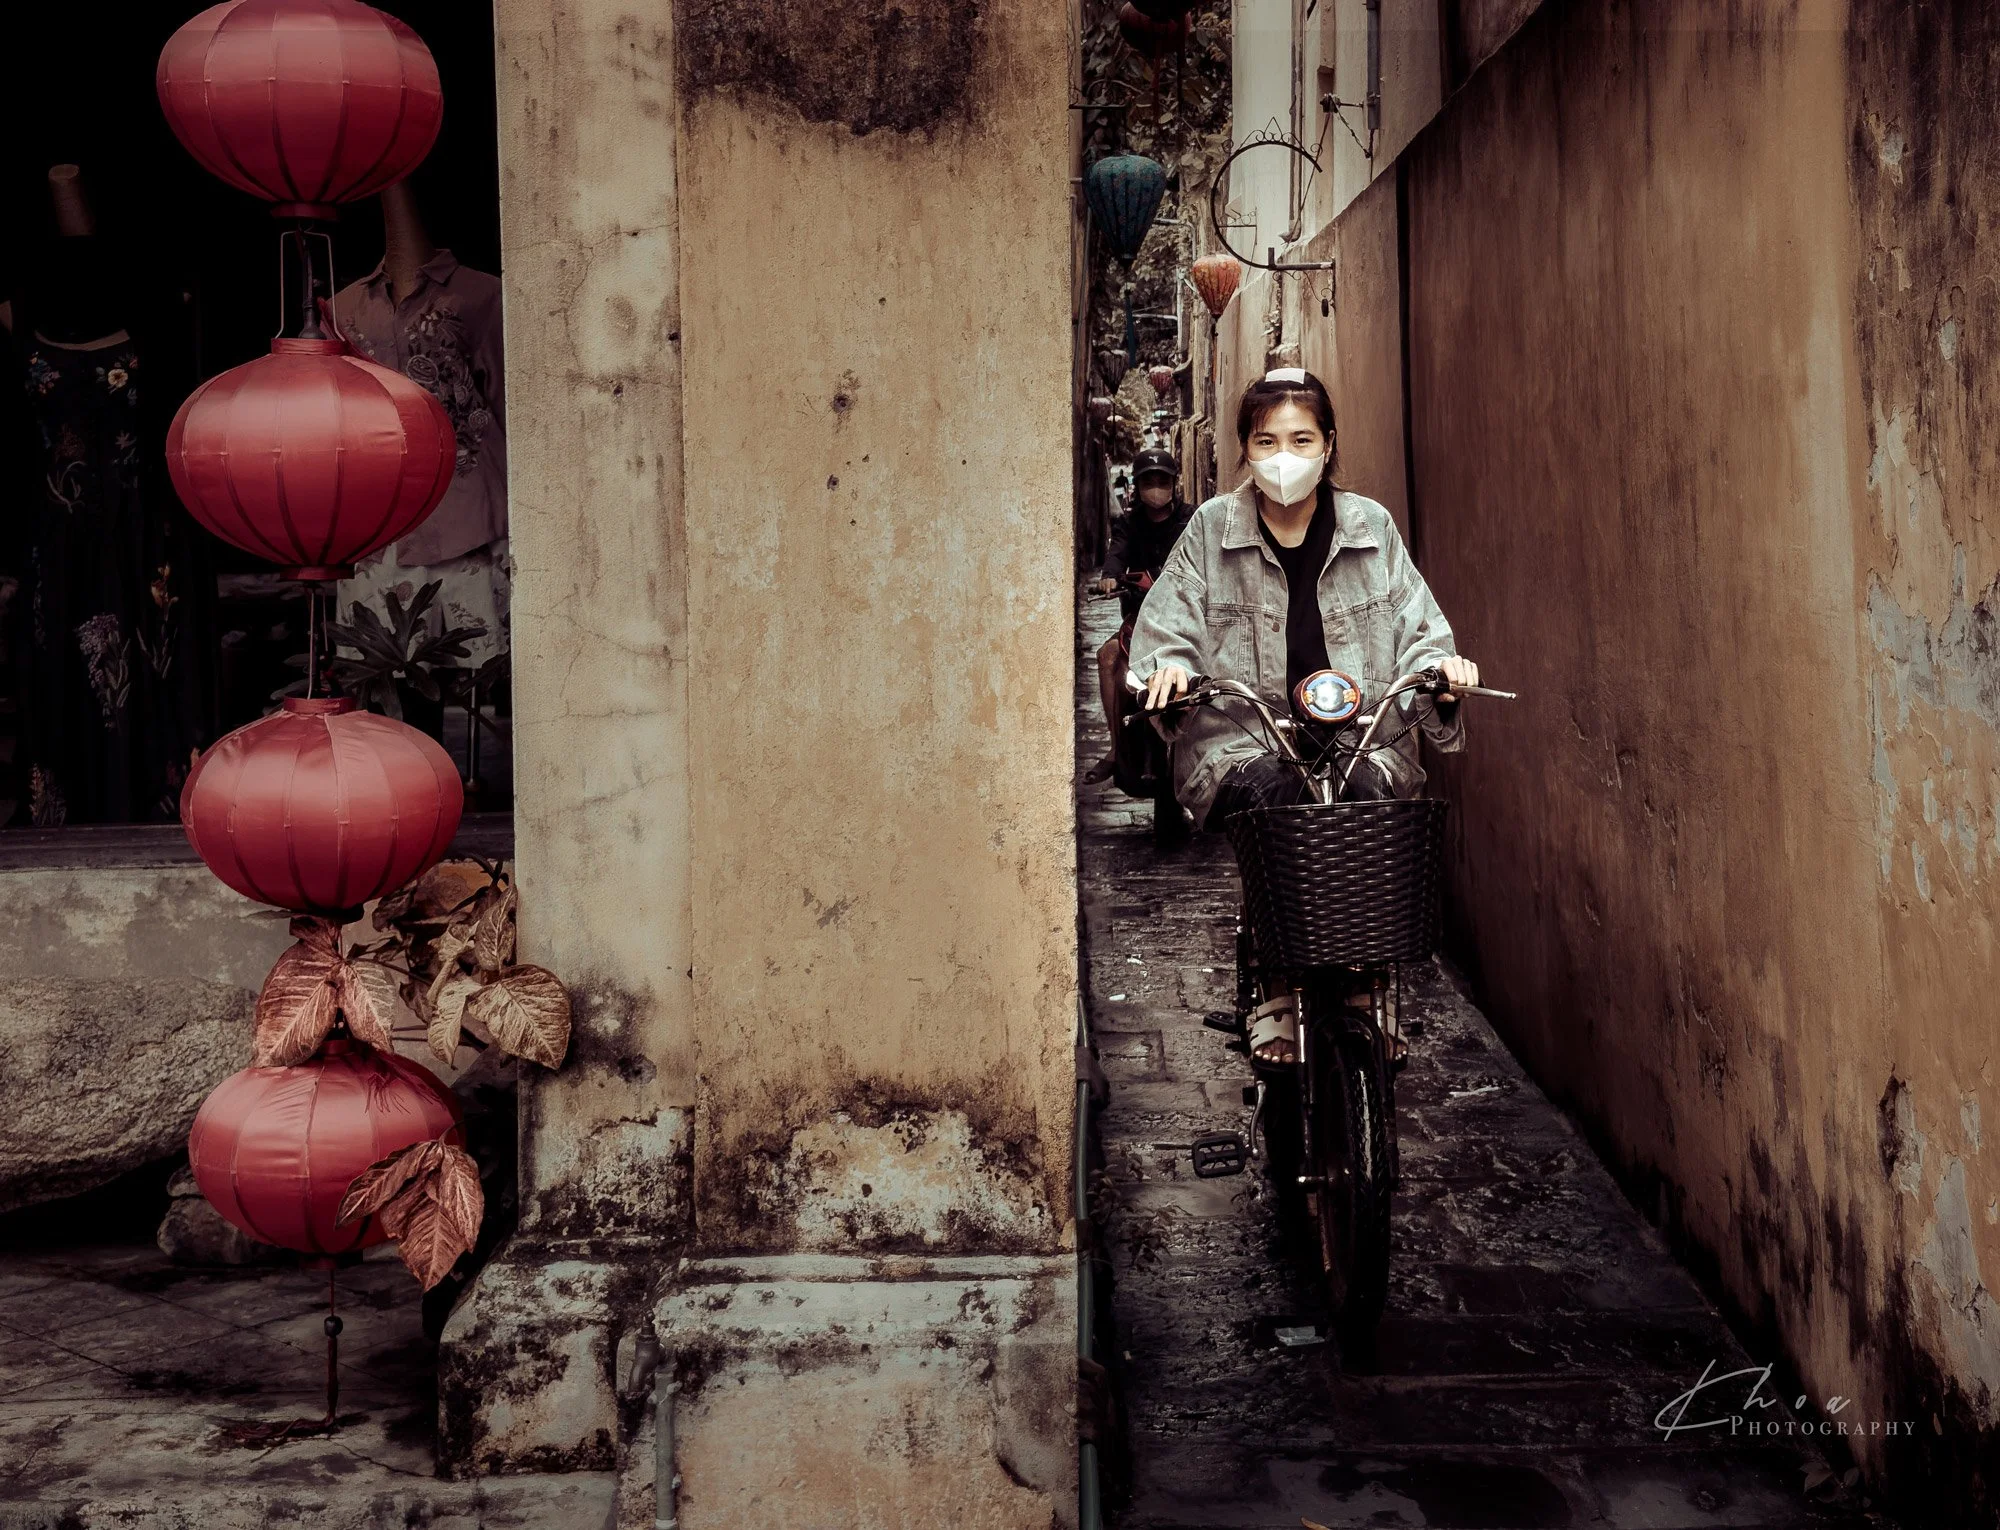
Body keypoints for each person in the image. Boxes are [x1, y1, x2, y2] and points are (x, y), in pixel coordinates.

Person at [1126, 367, 1479, 1062]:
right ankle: (1277, 984)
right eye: (1265, 440)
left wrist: (1443, 671)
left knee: (1373, 803)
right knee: (1276, 796)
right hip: (1243, 738)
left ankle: (1363, 983)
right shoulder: (1208, 529)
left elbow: (1421, 628)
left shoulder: (1371, 527)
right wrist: (1170, 669)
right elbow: (1166, 631)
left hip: (1360, 735)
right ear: (1244, 450)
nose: (1282, 455)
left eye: (1300, 437)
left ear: (1327, 445)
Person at [1083, 448, 1194, 786]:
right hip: (1139, 619)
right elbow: (1116, 556)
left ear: (1174, 484)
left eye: (1163, 480)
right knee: (1108, 656)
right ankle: (1117, 750)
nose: (1156, 487)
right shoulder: (1128, 523)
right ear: (1138, 486)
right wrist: (1110, 577)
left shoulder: (1191, 520)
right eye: (1149, 481)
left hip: (1185, 619)